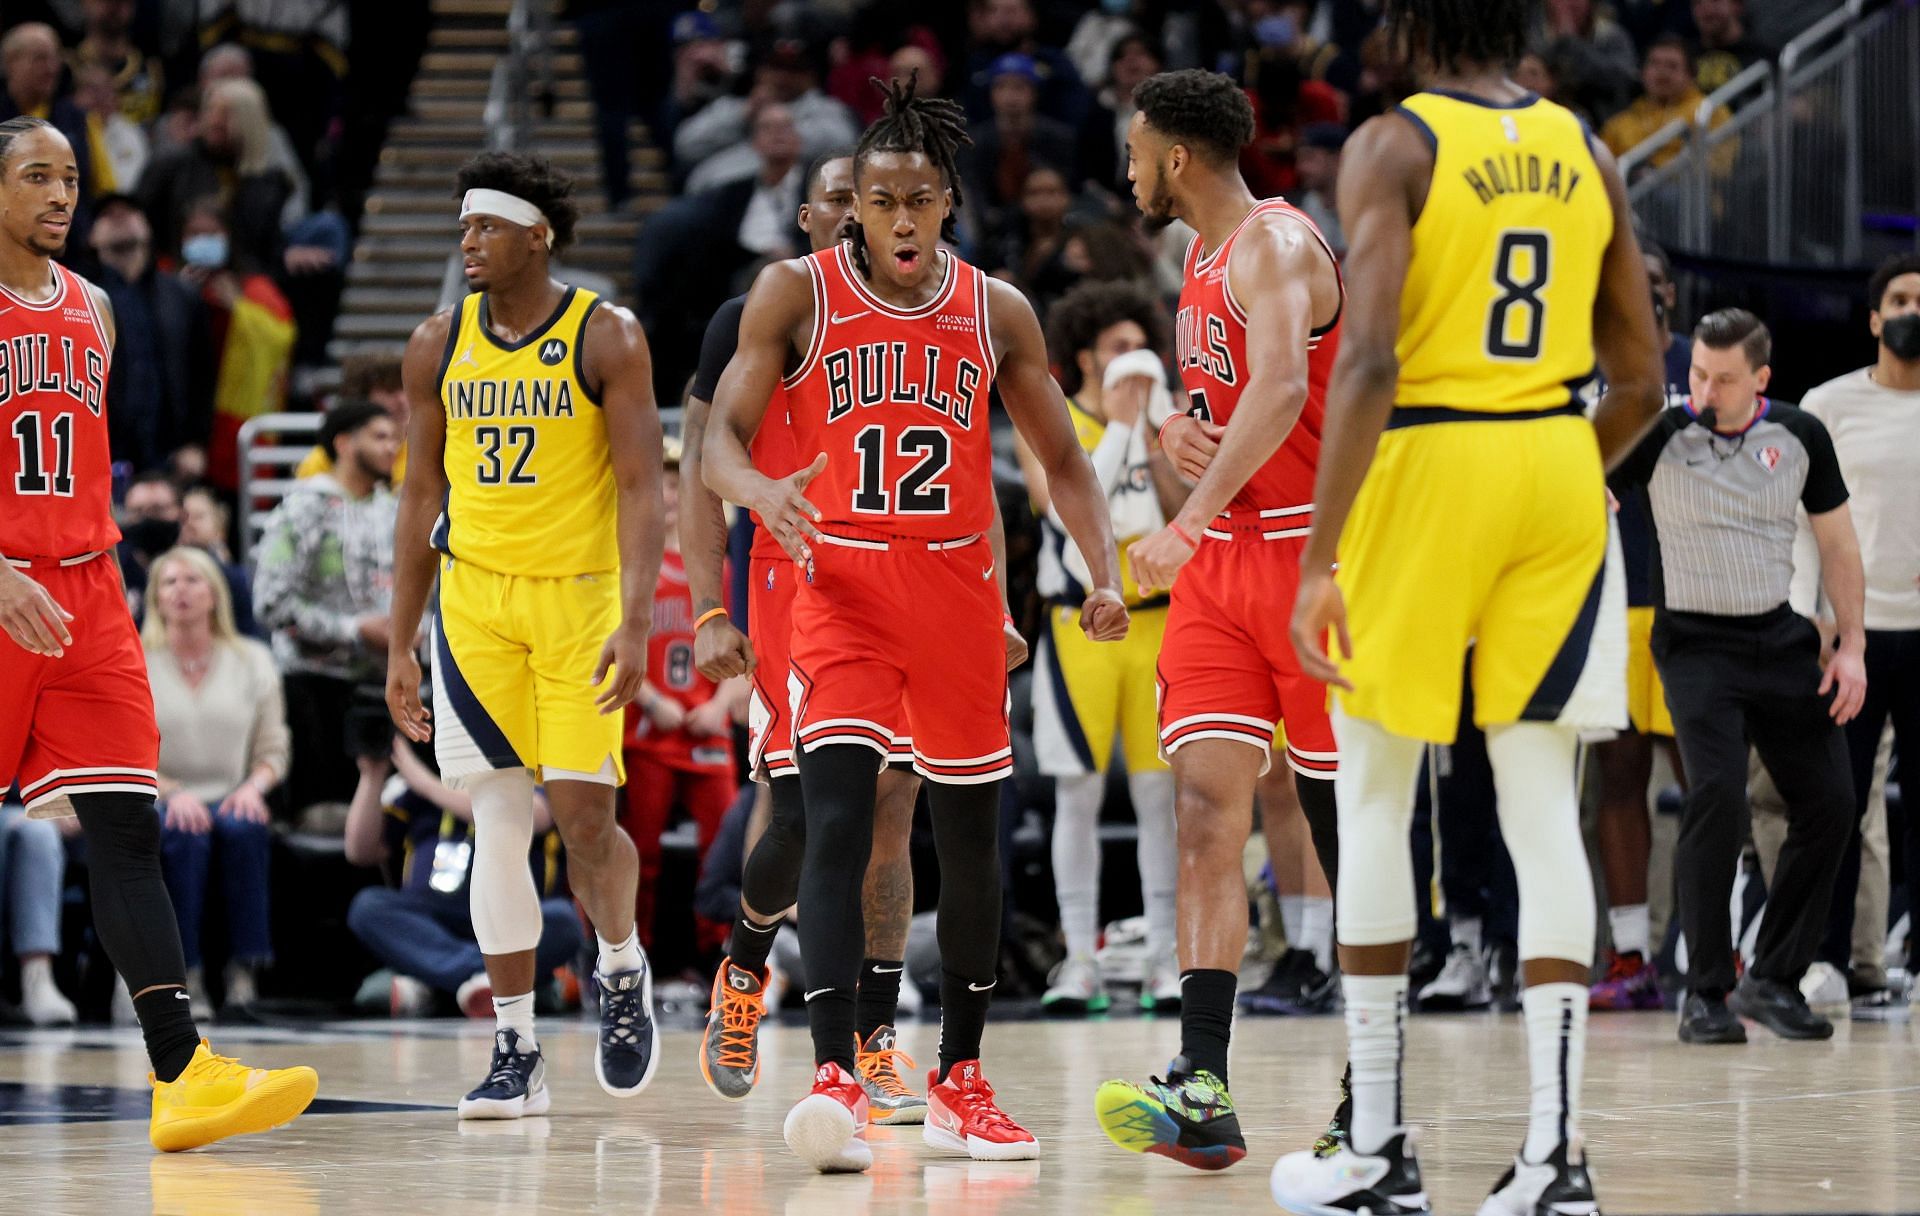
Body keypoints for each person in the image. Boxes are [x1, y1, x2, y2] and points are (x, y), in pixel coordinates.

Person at [1274, 0, 1668, 1206]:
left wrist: (1320, 555)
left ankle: (1379, 1150)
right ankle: (1557, 1162)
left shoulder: (1394, 144)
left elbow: (1374, 359)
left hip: (1433, 461)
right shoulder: (1588, 147)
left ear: (1410, 26)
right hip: (1561, 462)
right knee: (1542, 791)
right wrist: (1550, 475)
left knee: (1381, 789)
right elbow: (1646, 380)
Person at [704, 75, 1127, 1172]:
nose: (897, 217)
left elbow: (1064, 457)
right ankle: (838, 1068)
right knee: (834, 825)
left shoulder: (997, 309)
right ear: (854, 207)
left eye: (918, 199)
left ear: (946, 204)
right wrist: (757, 493)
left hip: (954, 591)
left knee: (970, 841)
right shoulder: (792, 295)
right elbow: (717, 443)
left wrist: (1102, 566)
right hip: (836, 583)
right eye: (879, 198)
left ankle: (964, 1078)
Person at [0, 115, 316, 1151]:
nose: (61, 194)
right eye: (35, 176)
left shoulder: (98, 305)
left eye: (68, 177)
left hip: (87, 590)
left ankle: (182, 1070)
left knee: (125, 827)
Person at [685, 148, 1000, 1127]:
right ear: (821, 216)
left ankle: (873, 1034)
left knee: (896, 808)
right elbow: (704, 465)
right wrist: (709, 611)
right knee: (804, 817)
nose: (869, 216)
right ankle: (745, 963)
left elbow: (963, 466)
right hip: (791, 575)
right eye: (845, 198)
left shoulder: (939, 313)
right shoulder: (756, 316)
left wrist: (995, 608)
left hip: (913, 570)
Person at [1091, 67, 1347, 1174]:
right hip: (1224, 572)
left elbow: (1286, 389)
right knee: (1203, 809)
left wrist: (1183, 520)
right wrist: (1181, 449)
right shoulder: (1191, 259)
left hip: (1314, 560)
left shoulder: (1277, 245)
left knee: (1346, 831)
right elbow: (1232, 409)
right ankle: (1202, 1086)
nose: (1127, 168)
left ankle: (1370, 1084)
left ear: (1176, 156)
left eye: (1135, 150)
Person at [386, 152, 667, 1120]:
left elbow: (643, 486)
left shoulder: (607, 334)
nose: (467, 242)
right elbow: (422, 493)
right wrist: (398, 640)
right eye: (463, 227)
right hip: (474, 606)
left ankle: (621, 964)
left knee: (586, 822)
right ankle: (516, 1046)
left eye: (485, 227)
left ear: (535, 235)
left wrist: (636, 621)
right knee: (499, 819)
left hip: (581, 604)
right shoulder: (436, 342)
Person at [1608, 310, 1863, 1047]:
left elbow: (1839, 544)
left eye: (1724, 379)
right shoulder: (1662, 431)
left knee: (1832, 802)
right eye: (1698, 376)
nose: (1706, 391)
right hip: (1693, 641)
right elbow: (1587, 482)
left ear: (1761, 380)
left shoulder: (1800, 434)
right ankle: (1707, 992)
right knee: (1716, 794)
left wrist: (1851, 647)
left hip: (1778, 633)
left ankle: (1775, 976)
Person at [1014, 279, 1184, 1016]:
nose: (1134, 364)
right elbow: (1060, 511)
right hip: (1076, 624)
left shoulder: (1163, 420)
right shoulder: (1049, 423)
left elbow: (1187, 511)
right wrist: (1119, 429)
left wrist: (1153, 432)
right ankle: (1079, 960)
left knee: (1160, 796)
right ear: (1087, 356)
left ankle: (1166, 962)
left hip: (1159, 621)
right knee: (1076, 795)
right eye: (1119, 350)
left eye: (1142, 349)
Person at [1794, 254, 1920, 1013]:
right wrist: (1811, 610)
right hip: (1855, 637)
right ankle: (1829, 958)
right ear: (1874, 317)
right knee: (1836, 801)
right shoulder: (1828, 405)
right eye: (1900, 298)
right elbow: (1801, 520)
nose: (1913, 309)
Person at [1590, 240, 1692, 1012]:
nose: (1643, 292)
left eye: (1653, 282)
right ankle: (1630, 955)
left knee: (1707, 782)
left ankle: (1716, 948)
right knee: (1618, 780)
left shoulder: (1705, 361)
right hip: (1611, 593)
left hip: (1699, 597)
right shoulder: (1580, 368)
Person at [143, 546, 286, 1017]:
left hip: (231, 793)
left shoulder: (253, 659)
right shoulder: (136, 661)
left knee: (243, 829)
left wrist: (253, 787)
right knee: (185, 834)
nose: (181, 591)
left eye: (193, 580)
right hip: (162, 797)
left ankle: (245, 971)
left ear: (215, 594)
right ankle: (189, 977)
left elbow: (273, 749)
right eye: (169, 582)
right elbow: (125, 753)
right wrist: (172, 791)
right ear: (155, 598)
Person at [345, 738, 583, 1016]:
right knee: (368, 906)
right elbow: (360, 851)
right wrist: (372, 776)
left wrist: (423, 781)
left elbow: (531, 817)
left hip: (509, 923)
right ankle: (486, 980)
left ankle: (435, 982)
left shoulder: (534, 775)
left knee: (563, 920)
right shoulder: (409, 785)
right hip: (432, 926)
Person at [620, 435, 745, 953]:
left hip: (705, 730)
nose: (669, 497)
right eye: (661, 486)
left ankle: (722, 957)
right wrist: (650, 699)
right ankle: (632, 957)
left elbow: (746, 654)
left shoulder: (722, 571)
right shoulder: (626, 567)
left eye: (678, 486)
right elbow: (601, 645)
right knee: (640, 854)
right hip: (649, 728)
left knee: (725, 850)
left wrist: (718, 707)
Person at [252, 400, 398, 812]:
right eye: (380, 437)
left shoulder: (398, 510)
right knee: (319, 815)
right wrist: (352, 629)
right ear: (345, 443)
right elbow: (270, 602)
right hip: (313, 688)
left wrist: (413, 630)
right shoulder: (303, 508)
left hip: (387, 687)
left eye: (395, 438)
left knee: (385, 816)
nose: (392, 448)